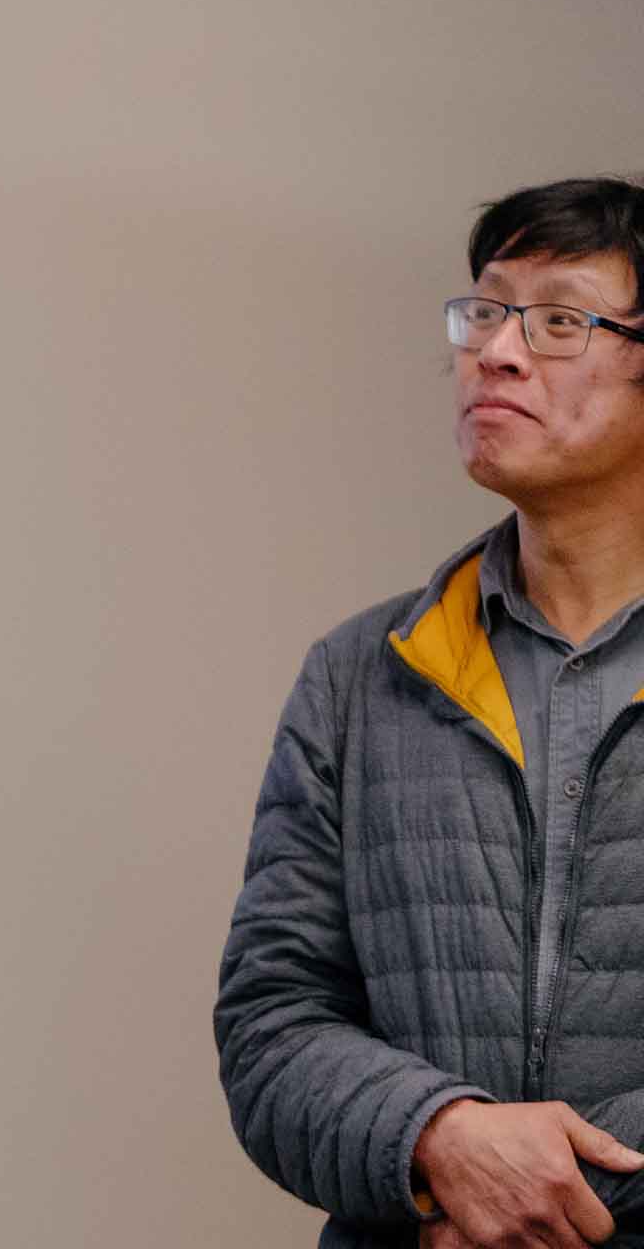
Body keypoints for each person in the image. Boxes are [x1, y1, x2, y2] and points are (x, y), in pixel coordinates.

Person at [222, 175, 644, 1249]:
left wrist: (545, 1209)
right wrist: (443, 1142)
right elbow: (272, 1024)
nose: (497, 351)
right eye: (486, 311)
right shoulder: (363, 675)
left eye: (560, 321)